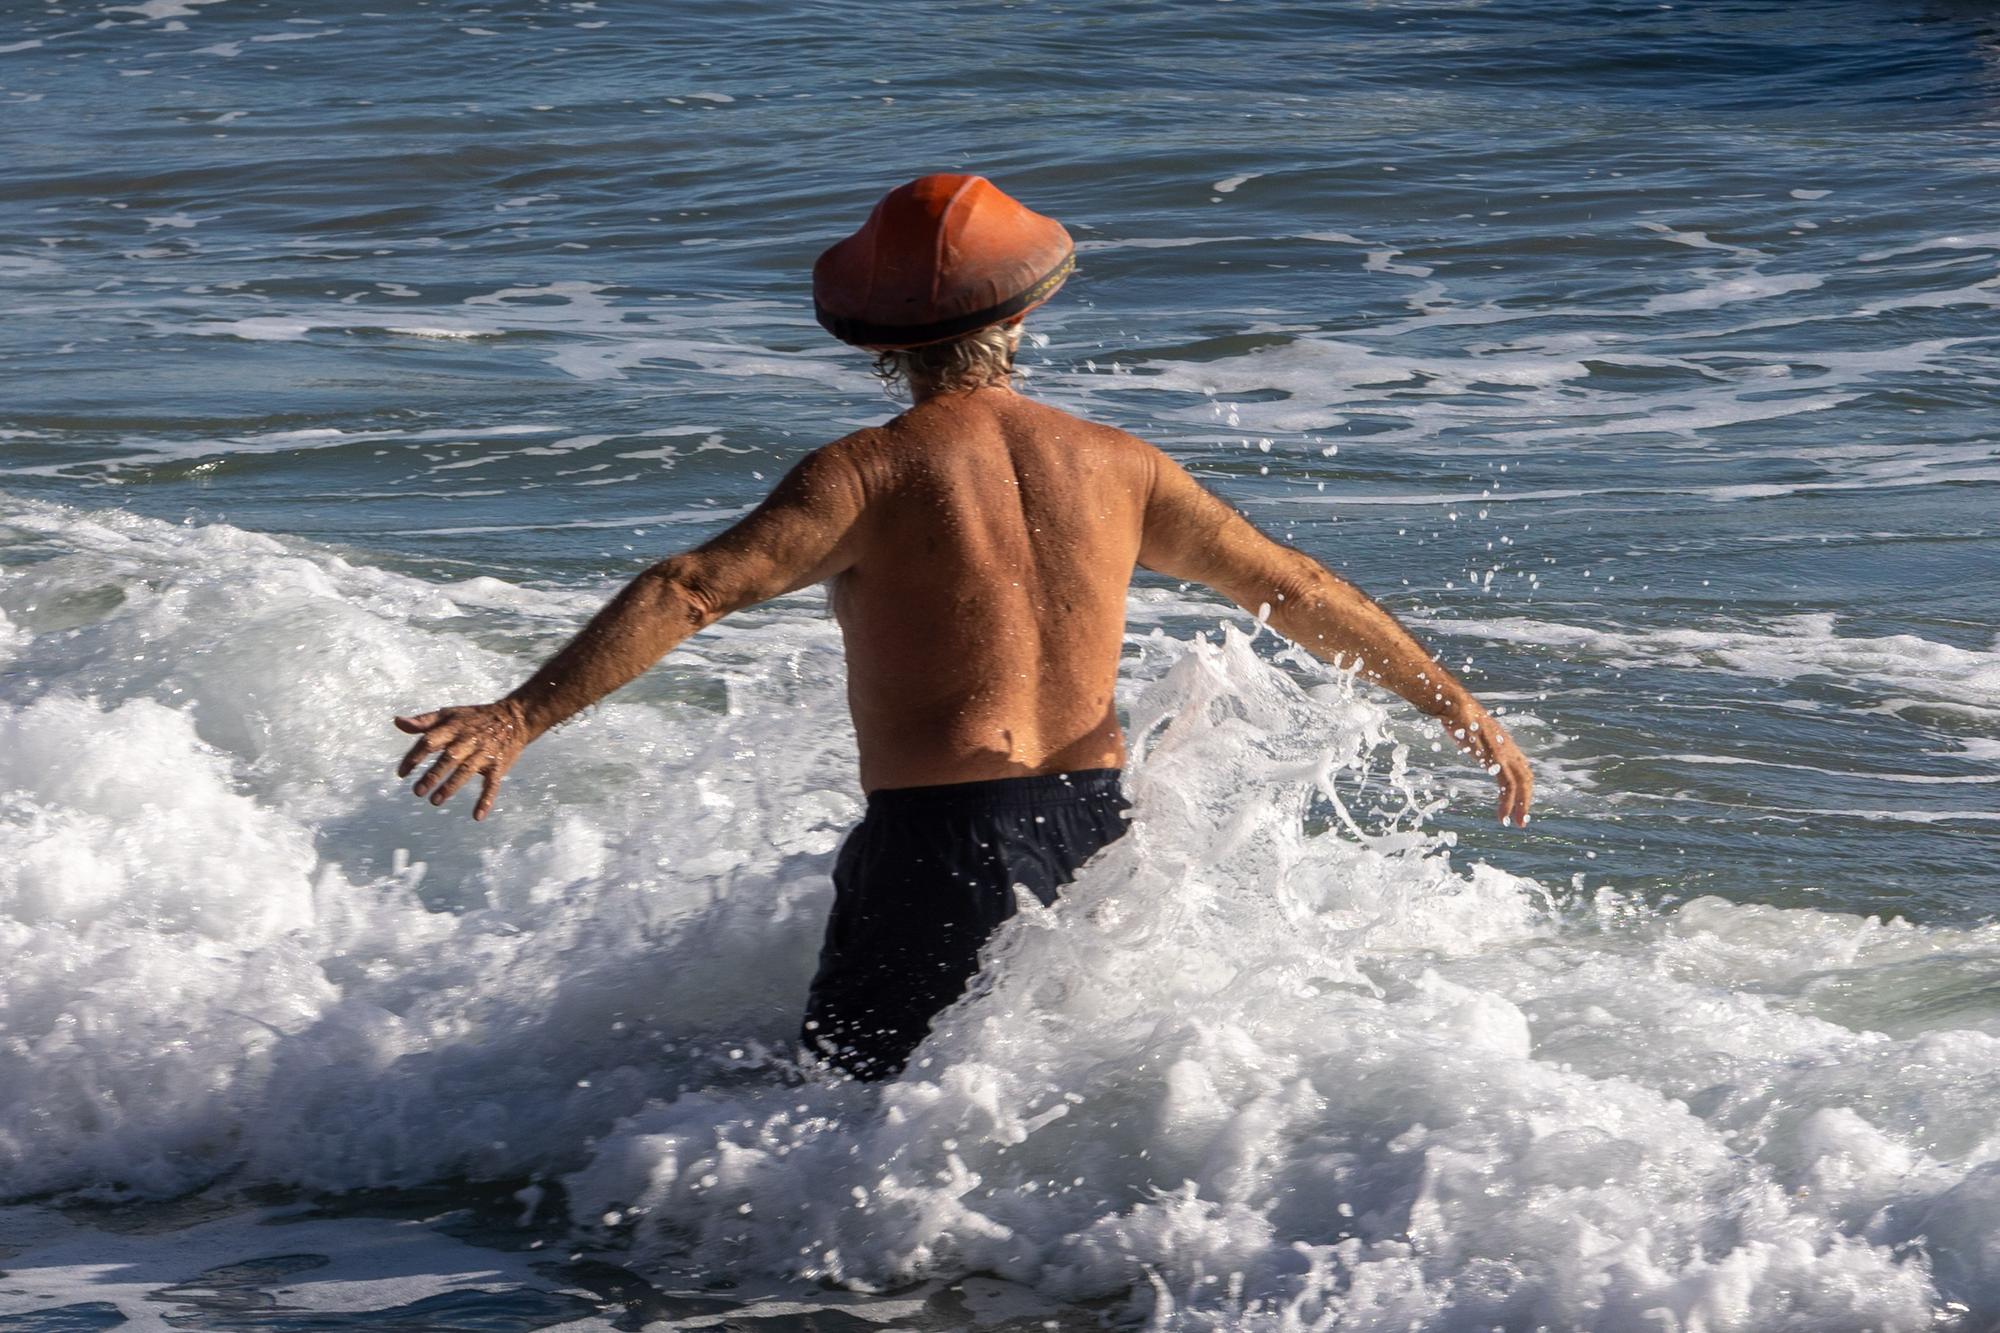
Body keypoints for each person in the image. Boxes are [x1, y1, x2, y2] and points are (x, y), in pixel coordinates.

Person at [393, 174, 1533, 1080]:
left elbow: (689, 588)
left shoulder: (864, 473)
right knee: (1034, 1114)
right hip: (1099, 832)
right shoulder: (1120, 465)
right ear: (1029, 310)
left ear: (874, 341)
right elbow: (1295, 589)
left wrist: (517, 714)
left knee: (851, 1129)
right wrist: (1457, 705)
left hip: (942, 845)